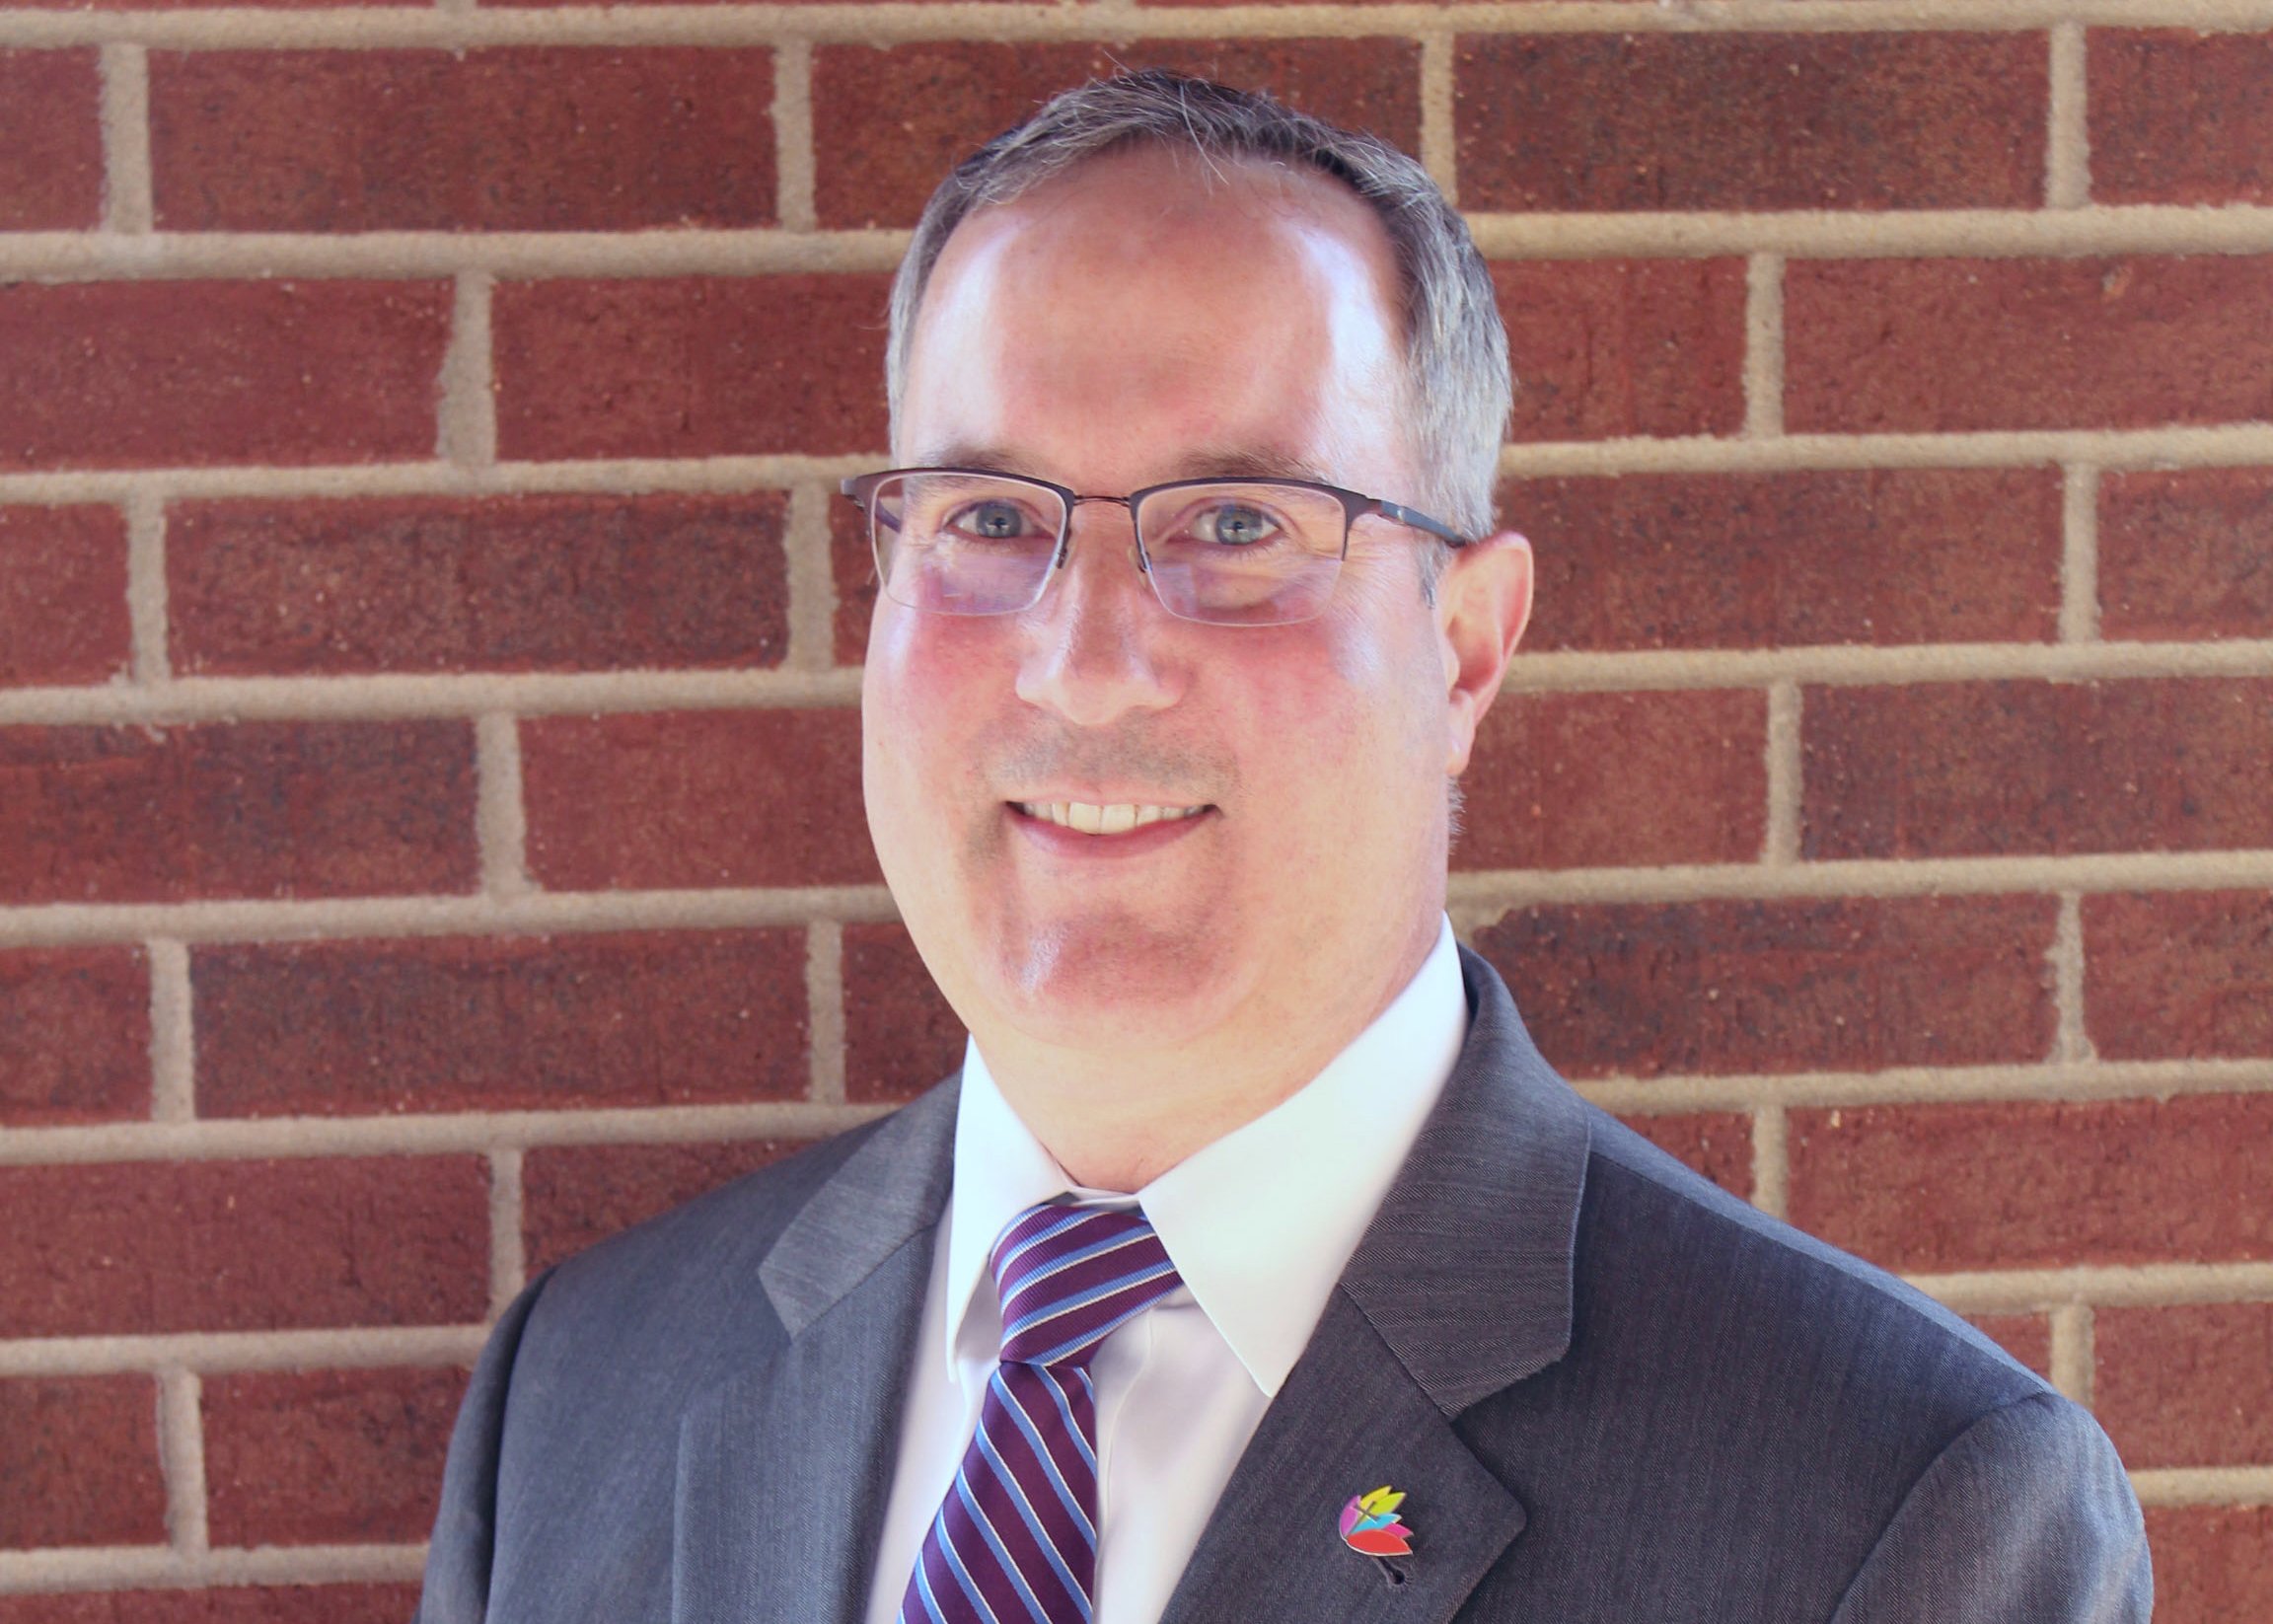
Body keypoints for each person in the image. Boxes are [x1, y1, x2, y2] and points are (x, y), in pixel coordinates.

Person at [414, 73, 2150, 1623]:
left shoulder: (1898, 1509)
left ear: (1465, 645)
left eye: (1237, 522)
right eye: (991, 518)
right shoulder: (586, 1393)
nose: (1082, 660)